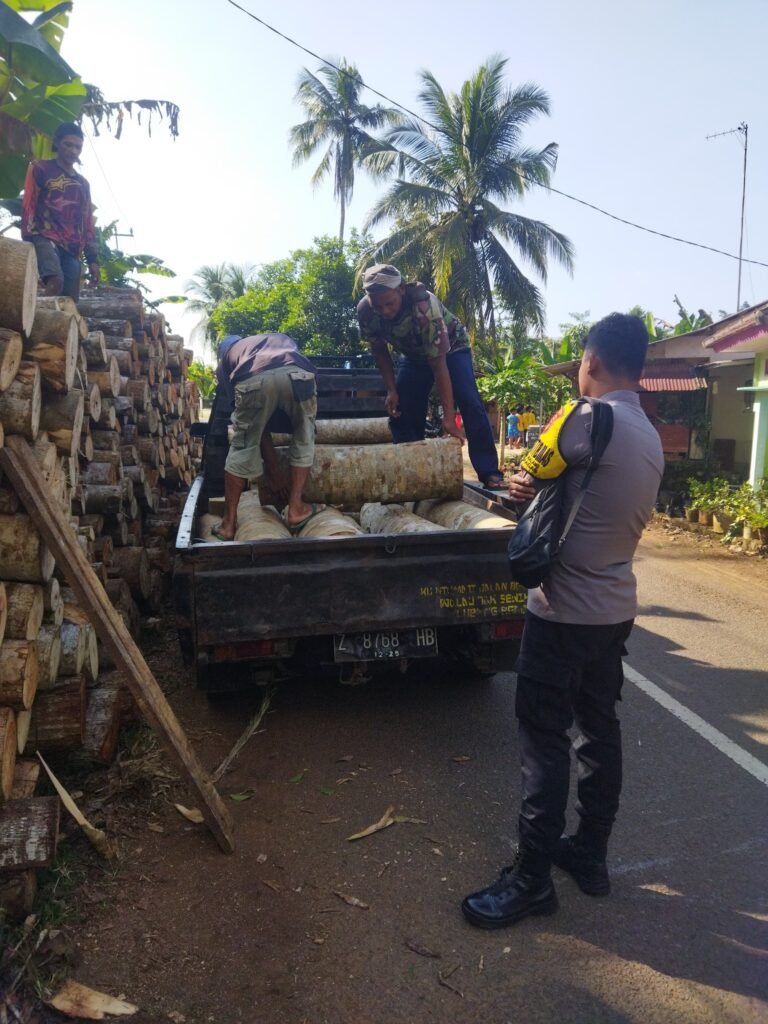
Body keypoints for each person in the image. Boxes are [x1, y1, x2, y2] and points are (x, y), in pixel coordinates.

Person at [462, 313, 664, 929]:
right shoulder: (649, 434)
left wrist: (528, 480)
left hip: (562, 611)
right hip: (614, 611)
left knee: (543, 740)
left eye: (580, 362)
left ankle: (531, 880)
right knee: (599, 731)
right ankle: (590, 856)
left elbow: (531, 471)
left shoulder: (586, 417)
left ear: (593, 362)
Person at [357, 264, 505, 490]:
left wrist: (448, 416)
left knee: (469, 400)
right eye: (378, 306)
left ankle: (490, 473)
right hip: (415, 356)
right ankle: (410, 472)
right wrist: (391, 390)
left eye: (390, 304)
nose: (385, 311)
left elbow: (439, 365)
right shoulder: (366, 311)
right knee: (403, 409)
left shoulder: (424, 308)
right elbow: (379, 351)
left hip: (452, 349)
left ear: (402, 291)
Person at [214, 333, 321, 540]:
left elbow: (256, 427)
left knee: (242, 445)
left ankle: (228, 524)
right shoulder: (273, 338)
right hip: (297, 372)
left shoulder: (227, 360)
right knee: (304, 435)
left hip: (254, 377)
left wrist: (272, 472)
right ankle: (296, 508)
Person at [21, 122, 99, 300]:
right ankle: (35, 323)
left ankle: (55, 326)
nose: (73, 151)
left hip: (71, 248)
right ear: (56, 143)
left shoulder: (83, 184)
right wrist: (28, 238)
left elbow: (87, 223)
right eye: (68, 144)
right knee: (55, 281)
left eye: (78, 147)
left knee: (69, 300)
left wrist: (93, 259)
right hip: (43, 237)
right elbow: (29, 204)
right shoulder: (40, 168)